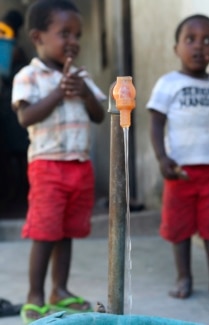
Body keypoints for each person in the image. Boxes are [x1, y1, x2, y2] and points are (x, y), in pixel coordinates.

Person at [11, 0, 106, 323]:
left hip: (80, 166)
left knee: (66, 231)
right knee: (45, 231)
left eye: (77, 34)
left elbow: (98, 115)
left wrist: (84, 92)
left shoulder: (81, 76)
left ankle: (60, 291)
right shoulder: (29, 76)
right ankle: (34, 297)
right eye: (64, 33)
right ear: (38, 36)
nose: (73, 41)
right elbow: (25, 117)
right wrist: (58, 94)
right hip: (47, 166)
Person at [146, 14, 209, 302]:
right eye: (189, 39)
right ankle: (184, 278)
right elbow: (156, 122)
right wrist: (162, 158)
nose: (198, 47)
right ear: (176, 48)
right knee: (179, 227)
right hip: (181, 169)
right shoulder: (169, 83)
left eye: (208, 41)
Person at [0, 9, 29, 211]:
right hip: (9, 108)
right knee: (13, 154)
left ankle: (22, 193)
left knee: (19, 154)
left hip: (15, 108)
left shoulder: (15, 52)